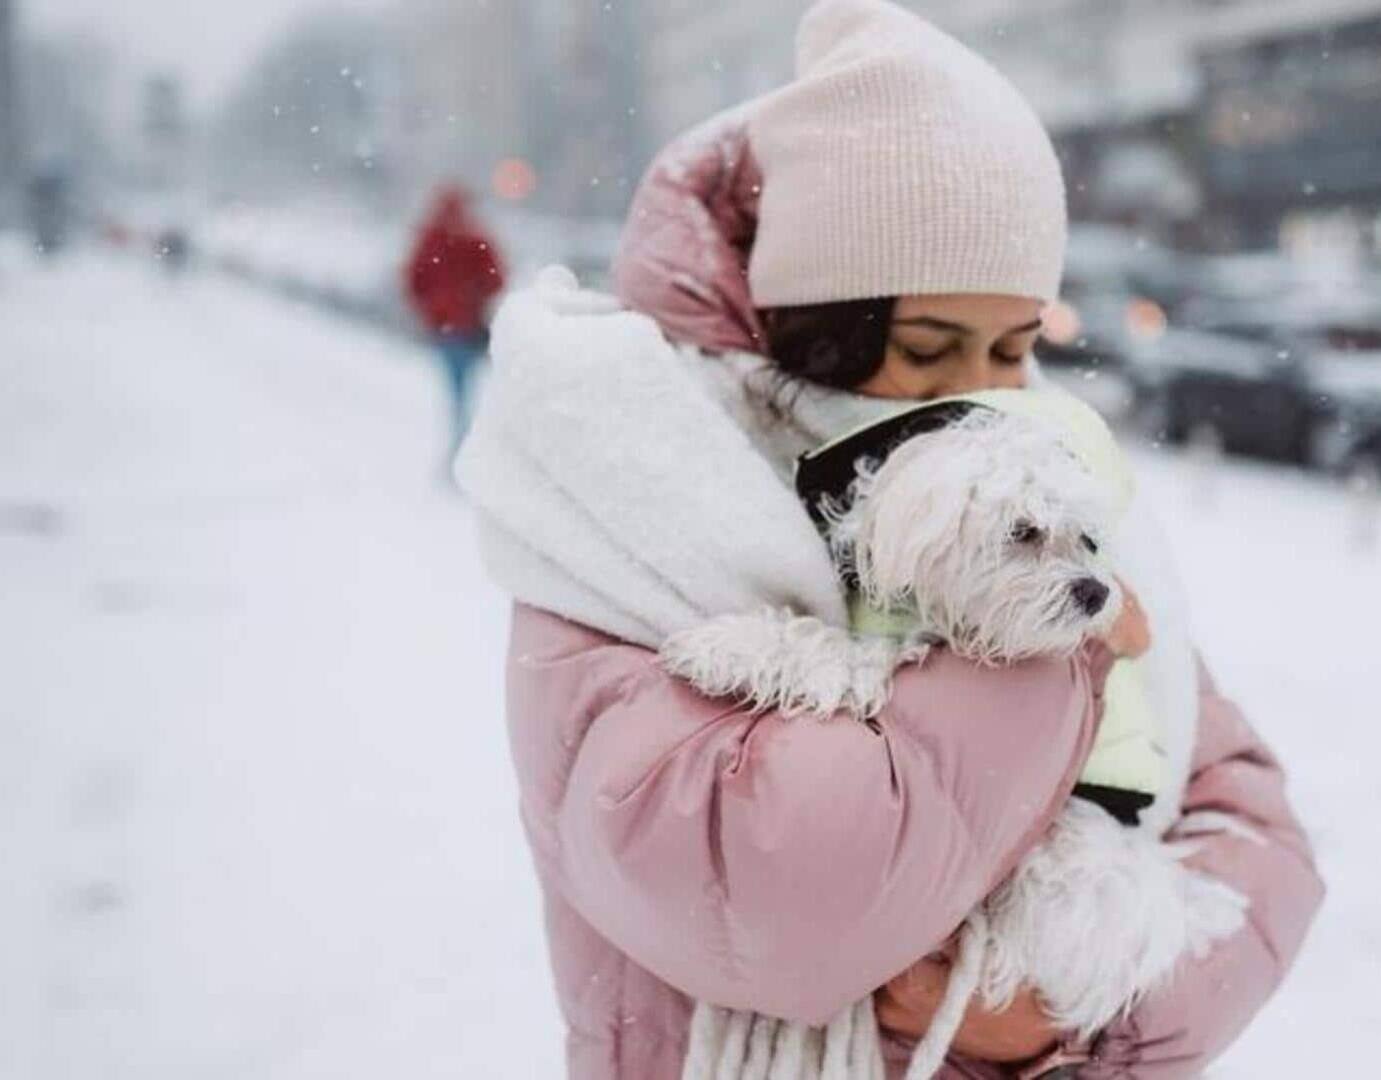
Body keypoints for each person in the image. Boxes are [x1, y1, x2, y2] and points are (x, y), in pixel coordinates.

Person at [454, 2, 1323, 1077]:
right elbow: (779, 895)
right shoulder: (629, 498)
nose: (983, 396)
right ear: (817, 323)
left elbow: (1257, 837)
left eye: (1014, 348)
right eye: (928, 346)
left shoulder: (1044, 483)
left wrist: (1085, 1015)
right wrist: (1062, 653)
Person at [404, 185, 504, 468]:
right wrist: (475, 295)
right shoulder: (474, 237)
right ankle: (467, 449)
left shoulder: (431, 239)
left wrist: (430, 309)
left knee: (457, 389)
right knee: (469, 389)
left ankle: (462, 448)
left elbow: (413, 280)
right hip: (469, 327)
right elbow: (497, 278)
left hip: (445, 329)